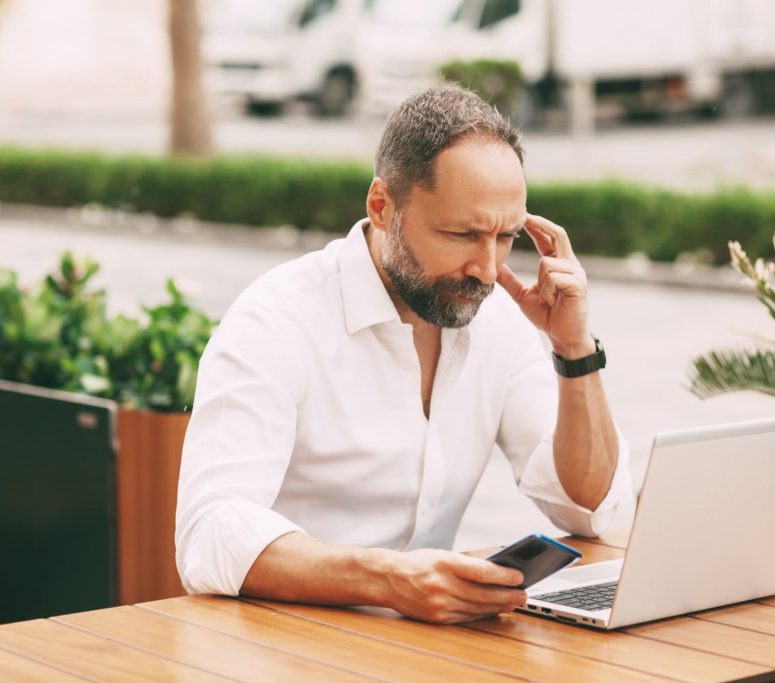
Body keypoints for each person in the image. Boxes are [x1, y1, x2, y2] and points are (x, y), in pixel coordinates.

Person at [175, 84, 632, 624]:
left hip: (428, 646)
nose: (486, 270)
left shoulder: (498, 318)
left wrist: (573, 349)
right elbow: (210, 533)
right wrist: (388, 578)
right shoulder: (274, 321)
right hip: (286, 643)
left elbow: (590, 506)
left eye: (507, 237)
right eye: (462, 234)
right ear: (382, 206)